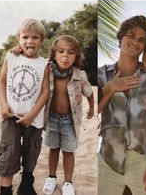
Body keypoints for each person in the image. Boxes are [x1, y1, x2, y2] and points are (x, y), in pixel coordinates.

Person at [98, 15, 146, 195]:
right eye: (131, 35)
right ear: (121, 36)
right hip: (108, 160)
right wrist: (110, 89)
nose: (135, 42)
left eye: (141, 40)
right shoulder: (102, 75)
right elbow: (90, 114)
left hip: (143, 161)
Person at [0, 18, 50, 195]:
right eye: (25, 37)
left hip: (33, 118)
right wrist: (4, 105)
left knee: (31, 151)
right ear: (18, 39)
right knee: (8, 152)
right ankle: (6, 190)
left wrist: (33, 115)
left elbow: (45, 92)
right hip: (11, 116)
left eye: (35, 37)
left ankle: (26, 185)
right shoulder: (11, 57)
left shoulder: (44, 64)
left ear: (41, 40)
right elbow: (2, 82)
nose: (30, 41)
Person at [41, 35, 94, 195]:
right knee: (53, 149)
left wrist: (92, 107)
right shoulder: (47, 70)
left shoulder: (79, 75)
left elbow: (89, 93)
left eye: (71, 52)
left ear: (76, 56)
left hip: (70, 121)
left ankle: (68, 182)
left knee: (69, 151)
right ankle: (51, 178)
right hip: (51, 118)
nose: (65, 56)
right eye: (61, 51)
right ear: (54, 54)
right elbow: (30, 59)